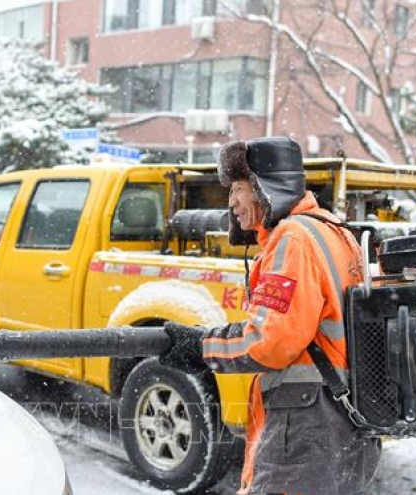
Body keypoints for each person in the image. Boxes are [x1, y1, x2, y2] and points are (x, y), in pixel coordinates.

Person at [160, 137, 381, 495]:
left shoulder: (293, 239)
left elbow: (270, 342)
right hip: (344, 417)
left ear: (265, 189)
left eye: (238, 189)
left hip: (308, 423)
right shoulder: (333, 230)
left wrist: (201, 346)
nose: (231, 203)